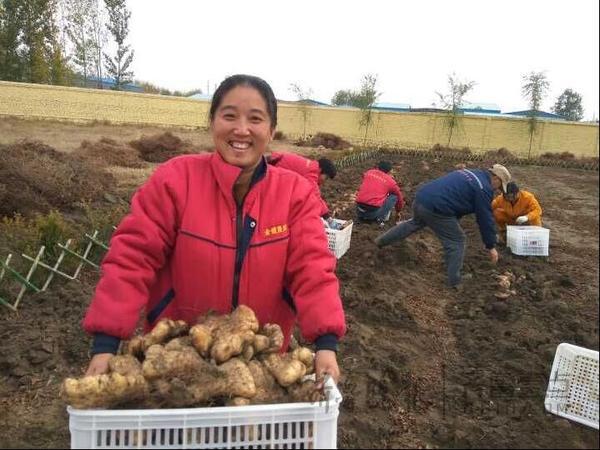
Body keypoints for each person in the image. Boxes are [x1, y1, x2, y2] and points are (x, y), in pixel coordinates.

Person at [82, 74, 346, 386]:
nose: (241, 129)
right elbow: (132, 258)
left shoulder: (295, 193)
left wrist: (326, 344)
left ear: (271, 130)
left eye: (255, 119)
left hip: (258, 363)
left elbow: (312, 267)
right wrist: (106, 345)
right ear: (212, 122)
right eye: (229, 116)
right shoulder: (176, 180)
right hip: (177, 358)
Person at [375, 164, 511, 289]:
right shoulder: (483, 188)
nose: (497, 190)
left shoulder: (471, 173)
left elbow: (455, 197)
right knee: (457, 241)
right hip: (436, 208)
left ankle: (380, 242)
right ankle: (455, 282)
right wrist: (491, 245)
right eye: (499, 186)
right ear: (496, 178)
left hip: (422, 198)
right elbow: (484, 218)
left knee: (414, 223)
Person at [267, 152, 336, 220]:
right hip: (273, 168)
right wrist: (326, 215)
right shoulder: (312, 173)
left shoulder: (310, 166)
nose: (325, 181)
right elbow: (314, 195)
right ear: (321, 170)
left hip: (274, 164)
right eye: (326, 177)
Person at [355, 161, 405, 226]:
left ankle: (363, 217)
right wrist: (398, 211)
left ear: (378, 167)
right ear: (390, 171)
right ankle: (380, 218)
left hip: (359, 211)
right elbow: (399, 197)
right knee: (394, 196)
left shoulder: (369, 172)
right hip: (372, 214)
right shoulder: (391, 182)